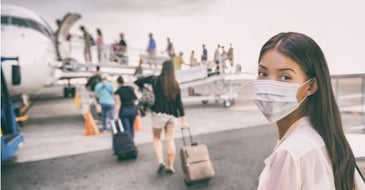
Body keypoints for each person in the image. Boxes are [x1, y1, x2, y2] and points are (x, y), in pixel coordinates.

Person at [254, 32, 364, 190]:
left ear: (310, 86)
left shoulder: (290, 153)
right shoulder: (326, 138)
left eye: (285, 77)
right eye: (263, 73)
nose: (269, 86)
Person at [134, 60, 188, 175]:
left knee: (157, 139)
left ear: (162, 68)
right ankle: (170, 166)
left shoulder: (155, 80)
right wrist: (183, 120)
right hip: (172, 116)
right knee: (170, 140)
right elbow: (179, 104)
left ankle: (160, 162)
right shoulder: (176, 84)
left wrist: (146, 89)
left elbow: (137, 81)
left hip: (158, 114)